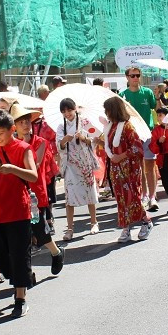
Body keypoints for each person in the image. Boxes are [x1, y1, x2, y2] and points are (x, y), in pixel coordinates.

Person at [0, 109, 39, 316]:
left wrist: (12, 169)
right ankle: (22, 276)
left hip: (19, 209)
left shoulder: (24, 148)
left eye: (1, 134)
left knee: (19, 255)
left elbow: (33, 175)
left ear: (12, 130)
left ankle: (20, 298)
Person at [12, 105, 64, 274]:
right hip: (17, 193)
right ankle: (28, 272)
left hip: (35, 193)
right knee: (22, 236)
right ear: (14, 126)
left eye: (28, 121)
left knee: (40, 230)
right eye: (21, 122)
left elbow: (36, 165)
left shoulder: (40, 142)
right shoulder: (10, 144)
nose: (26, 125)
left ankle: (56, 253)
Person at [103, 96, 153, 242]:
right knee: (121, 199)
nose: (106, 113)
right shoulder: (110, 127)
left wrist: (122, 156)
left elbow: (137, 147)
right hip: (116, 169)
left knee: (132, 197)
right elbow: (111, 146)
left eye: (107, 110)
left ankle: (146, 221)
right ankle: (126, 228)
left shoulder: (127, 126)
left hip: (129, 169)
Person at [56, 97, 99, 240]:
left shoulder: (84, 122)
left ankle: (94, 222)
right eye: (64, 111)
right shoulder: (61, 126)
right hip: (70, 164)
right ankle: (69, 228)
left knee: (89, 191)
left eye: (69, 110)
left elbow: (94, 139)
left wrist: (84, 138)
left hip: (84, 161)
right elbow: (59, 145)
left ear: (75, 108)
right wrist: (64, 140)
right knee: (70, 195)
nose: (67, 113)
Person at [121, 69, 160, 211]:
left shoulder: (147, 93)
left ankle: (152, 197)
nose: (136, 78)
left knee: (150, 166)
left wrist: (158, 98)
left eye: (138, 75)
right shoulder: (123, 95)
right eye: (133, 76)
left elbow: (155, 108)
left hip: (147, 134)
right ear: (127, 77)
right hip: (132, 136)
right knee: (139, 168)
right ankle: (143, 196)